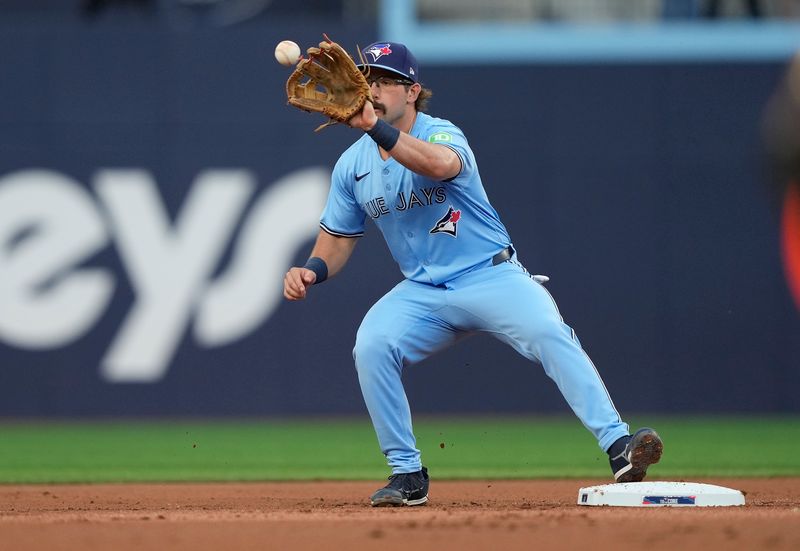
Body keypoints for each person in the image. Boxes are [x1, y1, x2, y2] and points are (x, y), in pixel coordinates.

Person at [283, 41, 663, 507]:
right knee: (373, 345)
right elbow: (338, 239)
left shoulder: (441, 133)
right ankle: (407, 475)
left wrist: (376, 128)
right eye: (368, 80)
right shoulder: (352, 165)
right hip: (422, 290)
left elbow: (439, 166)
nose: (373, 89)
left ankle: (619, 444)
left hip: (489, 275)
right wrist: (312, 270)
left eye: (385, 81)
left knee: (548, 332)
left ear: (412, 91)